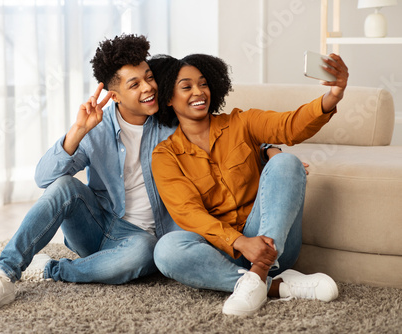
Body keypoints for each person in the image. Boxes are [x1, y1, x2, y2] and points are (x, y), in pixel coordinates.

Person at [0, 34, 183, 314]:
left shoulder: (170, 125)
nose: (148, 87)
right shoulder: (98, 128)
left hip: (140, 240)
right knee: (65, 185)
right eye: (135, 84)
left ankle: (53, 269)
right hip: (96, 227)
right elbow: (45, 179)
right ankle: (3, 274)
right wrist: (78, 131)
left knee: (145, 251)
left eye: (148, 77)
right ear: (114, 95)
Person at [149, 53, 349, 316]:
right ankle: (274, 286)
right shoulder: (165, 155)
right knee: (166, 250)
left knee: (286, 163)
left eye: (204, 84)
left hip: (273, 242)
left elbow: (289, 126)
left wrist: (332, 97)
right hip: (222, 253)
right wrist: (240, 242)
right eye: (186, 87)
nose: (198, 92)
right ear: (167, 98)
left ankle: (260, 272)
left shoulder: (239, 122)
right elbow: (188, 213)